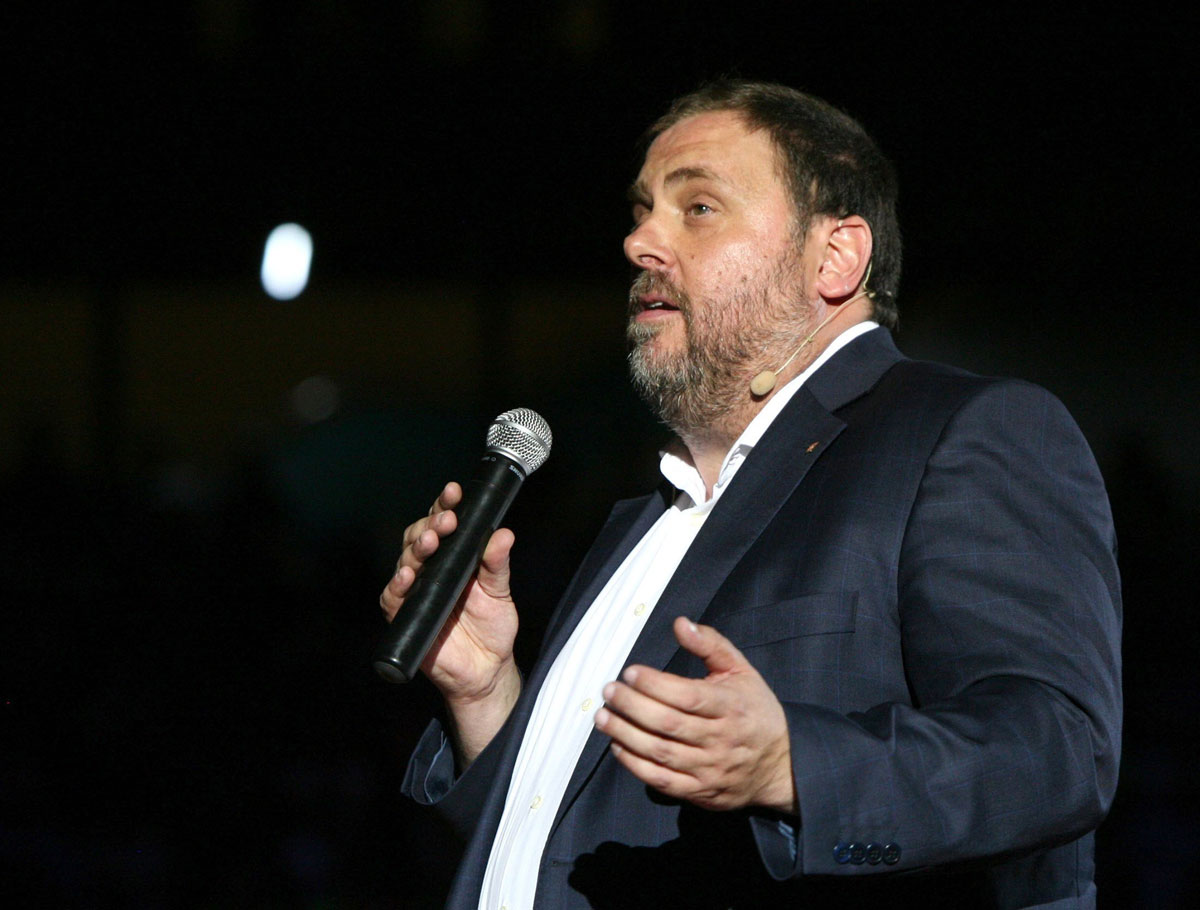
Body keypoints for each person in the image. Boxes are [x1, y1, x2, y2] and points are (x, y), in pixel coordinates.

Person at [380, 80, 1121, 909]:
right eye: (640, 211)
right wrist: (488, 695)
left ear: (835, 257)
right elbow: (563, 839)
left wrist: (793, 764)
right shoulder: (649, 515)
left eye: (697, 207)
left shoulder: (961, 433)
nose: (639, 242)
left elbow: (1058, 751)